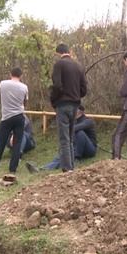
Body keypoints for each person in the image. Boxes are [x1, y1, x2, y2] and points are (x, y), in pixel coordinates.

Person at [50, 43, 88, 172]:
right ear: (69, 51)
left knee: (64, 138)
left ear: (58, 53)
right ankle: (72, 166)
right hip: (75, 105)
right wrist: (77, 95)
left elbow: (57, 85)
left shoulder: (59, 65)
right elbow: (84, 88)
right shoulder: (78, 66)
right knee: (71, 137)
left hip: (63, 104)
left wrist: (54, 100)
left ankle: (67, 169)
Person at [0, 67, 29, 174]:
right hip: (19, 117)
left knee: (1, 143)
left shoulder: (3, 84)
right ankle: (13, 168)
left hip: (6, 117)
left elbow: (0, 97)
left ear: (10, 74)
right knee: (17, 143)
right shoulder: (24, 87)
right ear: (21, 76)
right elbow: (25, 103)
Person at [43, 105, 97, 170]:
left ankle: (76, 158)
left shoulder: (88, 121)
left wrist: (65, 127)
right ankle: (43, 168)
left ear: (80, 112)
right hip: (76, 147)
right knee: (62, 156)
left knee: (80, 133)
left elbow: (76, 128)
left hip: (90, 150)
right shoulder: (73, 121)